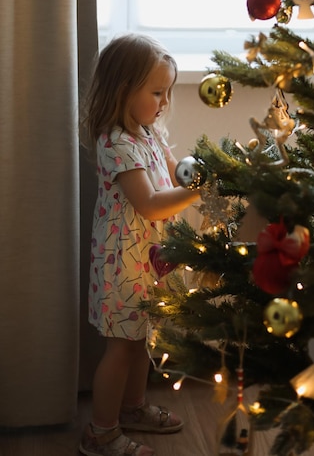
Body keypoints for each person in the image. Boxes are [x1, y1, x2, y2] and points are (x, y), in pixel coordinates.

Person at [79, 34, 201, 456]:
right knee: (121, 348)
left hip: (146, 262)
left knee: (139, 341)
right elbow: (148, 203)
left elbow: (176, 170)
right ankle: (101, 432)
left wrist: (203, 168)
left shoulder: (148, 132)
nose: (165, 101)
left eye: (167, 91)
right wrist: (199, 192)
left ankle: (131, 408)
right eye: (156, 92)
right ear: (122, 90)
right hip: (121, 266)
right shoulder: (117, 142)